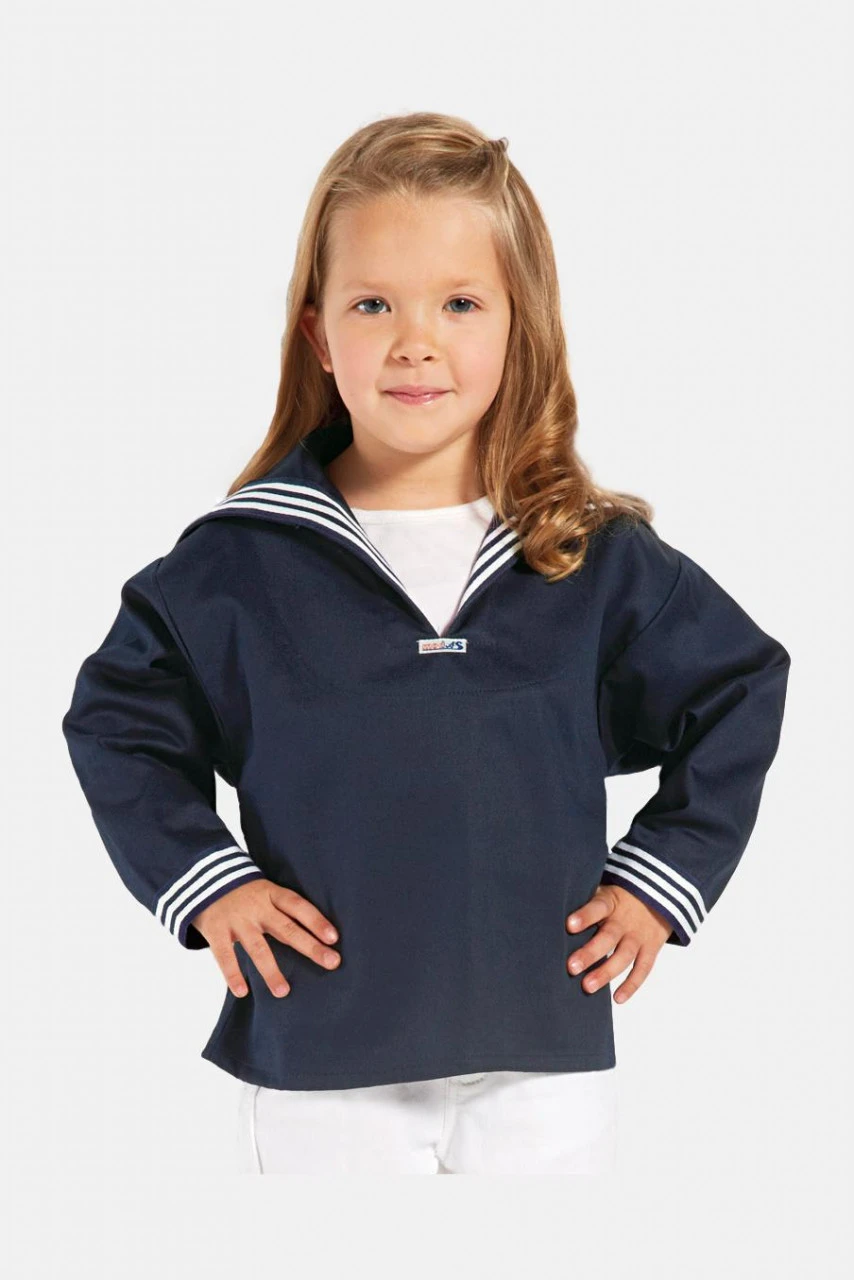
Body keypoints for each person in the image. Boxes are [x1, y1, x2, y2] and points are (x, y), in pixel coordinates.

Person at [61, 111, 791, 1175]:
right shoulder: (235, 565)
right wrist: (207, 882)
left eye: (459, 303)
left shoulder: (587, 554)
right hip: (323, 1057)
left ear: (517, 328)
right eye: (373, 304)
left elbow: (739, 685)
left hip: (544, 1058)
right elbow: (116, 723)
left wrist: (656, 880)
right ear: (319, 336)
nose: (415, 341)